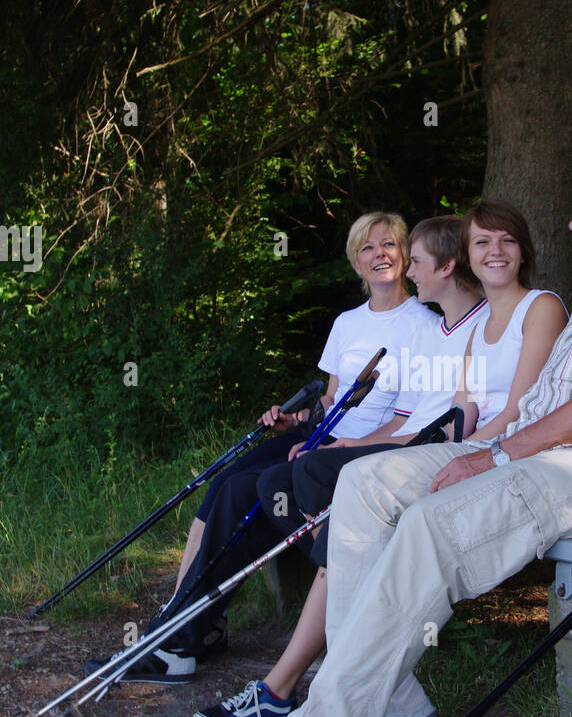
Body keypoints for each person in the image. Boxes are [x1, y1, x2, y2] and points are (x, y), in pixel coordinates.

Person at [202, 157, 572, 717]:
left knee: (428, 524)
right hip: (538, 454)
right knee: (364, 483)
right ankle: (385, 693)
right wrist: (491, 446)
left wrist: (497, 456)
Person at [191, 204, 564, 717]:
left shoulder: (531, 309)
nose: (493, 253)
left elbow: (514, 415)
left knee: (331, 487)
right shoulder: (466, 328)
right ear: (468, 259)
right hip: (455, 448)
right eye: (483, 244)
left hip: (501, 460)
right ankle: (340, 670)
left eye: (504, 241)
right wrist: (406, 441)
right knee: (293, 485)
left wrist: (445, 449)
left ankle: (293, 683)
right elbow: (459, 410)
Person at [86, 211, 435, 685]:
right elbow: (330, 398)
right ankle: (186, 628)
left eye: (389, 245)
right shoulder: (347, 323)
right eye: (368, 248)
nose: (380, 255)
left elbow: (407, 419)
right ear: (356, 261)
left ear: (406, 255)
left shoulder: (422, 325)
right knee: (228, 484)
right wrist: (295, 420)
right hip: (320, 434)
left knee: (251, 491)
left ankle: (179, 639)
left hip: (357, 447)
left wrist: (348, 442)